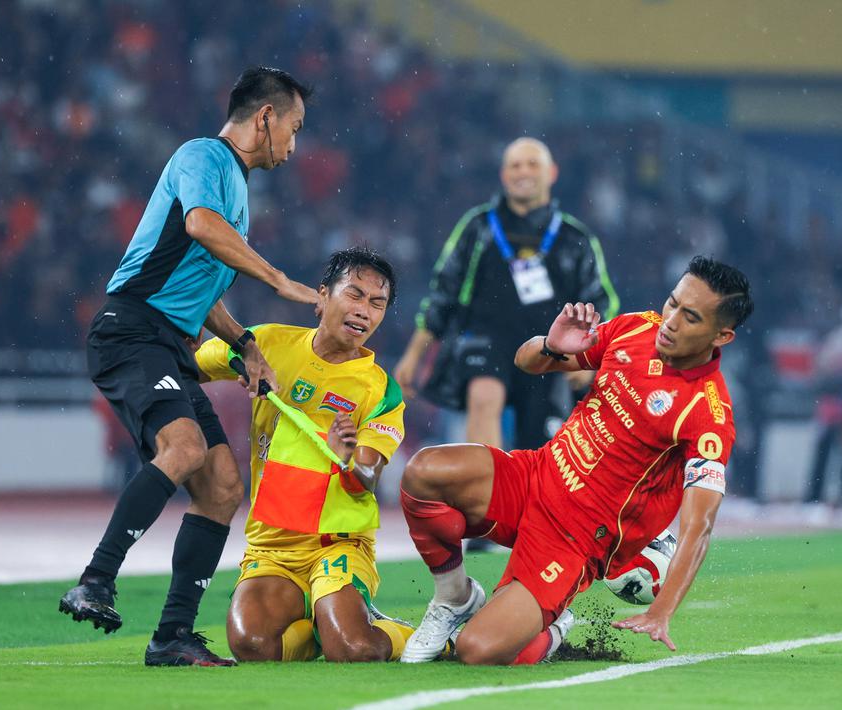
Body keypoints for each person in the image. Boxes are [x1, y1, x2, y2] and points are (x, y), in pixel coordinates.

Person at [58, 66, 320, 666]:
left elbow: (199, 292)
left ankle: (172, 635)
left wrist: (245, 344)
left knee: (224, 485)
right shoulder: (202, 155)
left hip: (167, 341)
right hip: (131, 329)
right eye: (295, 128)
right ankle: (96, 580)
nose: (294, 146)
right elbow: (201, 226)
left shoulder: (236, 186)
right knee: (183, 448)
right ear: (265, 118)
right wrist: (278, 280)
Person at [398, 256, 753, 664]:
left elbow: (699, 525)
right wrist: (549, 346)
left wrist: (662, 611)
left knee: (475, 650)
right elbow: (526, 362)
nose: (671, 320)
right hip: (536, 474)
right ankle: (454, 598)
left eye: (690, 317)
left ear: (721, 336)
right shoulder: (635, 328)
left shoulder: (708, 414)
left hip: (574, 539)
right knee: (423, 474)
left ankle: (550, 629)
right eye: (672, 303)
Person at [192, 246, 416, 664]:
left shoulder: (379, 390)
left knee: (354, 650)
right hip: (272, 544)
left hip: (336, 544)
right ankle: (326, 622)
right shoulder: (268, 344)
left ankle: (418, 638)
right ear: (322, 296)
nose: (364, 311)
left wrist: (344, 459)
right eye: (354, 294)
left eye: (377, 303)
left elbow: (367, 479)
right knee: (252, 646)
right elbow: (187, 367)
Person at [394, 137, 619, 453]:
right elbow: (443, 291)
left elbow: (600, 301)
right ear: (503, 175)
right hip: (485, 340)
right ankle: (487, 493)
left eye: (532, 164)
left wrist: (588, 362)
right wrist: (414, 355)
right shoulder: (477, 226)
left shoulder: (575, 237)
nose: (523, 171)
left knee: (541, 450)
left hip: (550, 349)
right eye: (515, 165)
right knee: (483, 395)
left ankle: (528, 497)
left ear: (551, 173)